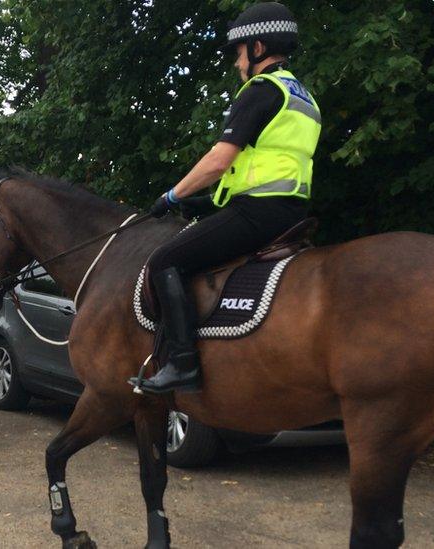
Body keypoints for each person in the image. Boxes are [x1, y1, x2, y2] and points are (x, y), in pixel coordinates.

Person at [137, 2, 321, 394]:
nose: (238, 63)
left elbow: (220, 161)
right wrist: (205, 204)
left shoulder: (260, 90)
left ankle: (183, 363)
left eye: (239, 53)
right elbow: (267, 169)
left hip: (259, 215)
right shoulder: (303, 97)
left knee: (164, 261)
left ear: (257, 48)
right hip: (290, 211)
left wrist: (172, 196)